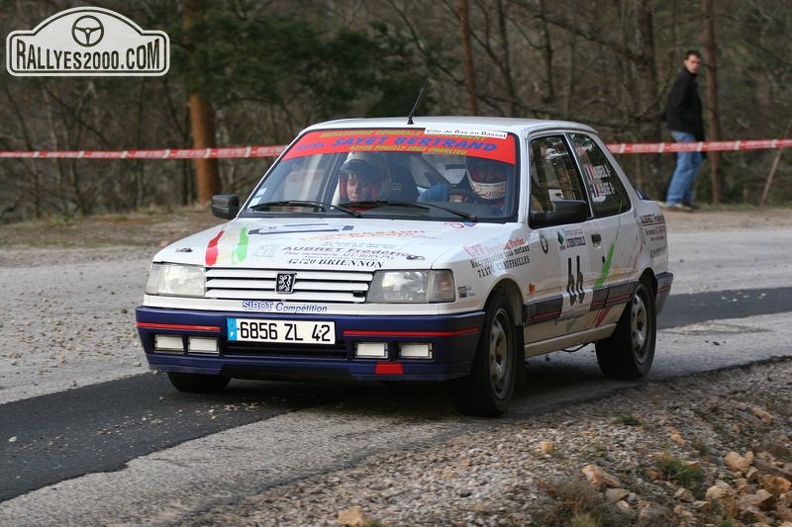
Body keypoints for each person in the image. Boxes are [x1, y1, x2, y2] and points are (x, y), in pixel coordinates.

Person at [663, 50, 705, 212]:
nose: (695, 66)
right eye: (692, 62)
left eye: (698, 63)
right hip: (682, 128)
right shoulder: (684, 80)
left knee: (695, 162)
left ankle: (686, 198)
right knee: (686, 163)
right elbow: (676, 105)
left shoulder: (690, 81)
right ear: (685, 62)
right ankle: (673, 199)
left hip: (687, 128)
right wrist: (693, 120)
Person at [418, 156, 512, 210]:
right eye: (483, 168)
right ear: (471, 171)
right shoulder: (445, 194)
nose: (491, 174)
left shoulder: (518, 201)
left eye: (499, 168)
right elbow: (420, 211)